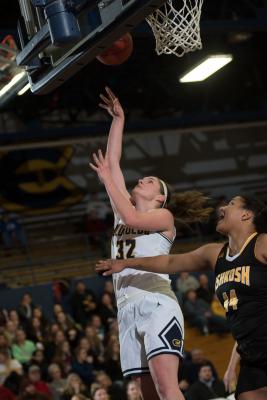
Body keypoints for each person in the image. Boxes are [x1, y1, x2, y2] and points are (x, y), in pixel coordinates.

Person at [90, 87, 212, 400]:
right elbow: (113, 161)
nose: (142, 178)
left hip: (155, 301)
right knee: (146, 394)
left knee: (166, 387)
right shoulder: (122, 213)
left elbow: (130, 216)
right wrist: (119, 120)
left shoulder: (163, 218)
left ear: (159, 197)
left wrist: (107, 180)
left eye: (150, 181)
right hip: (126, 308)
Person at [96, 195, 267, 400]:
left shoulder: (262, 243)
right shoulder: (214, 254)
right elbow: (169, 263)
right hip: (251, 355)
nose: (222, 207)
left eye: (231, 204)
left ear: (247, 214)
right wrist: (126, 263)